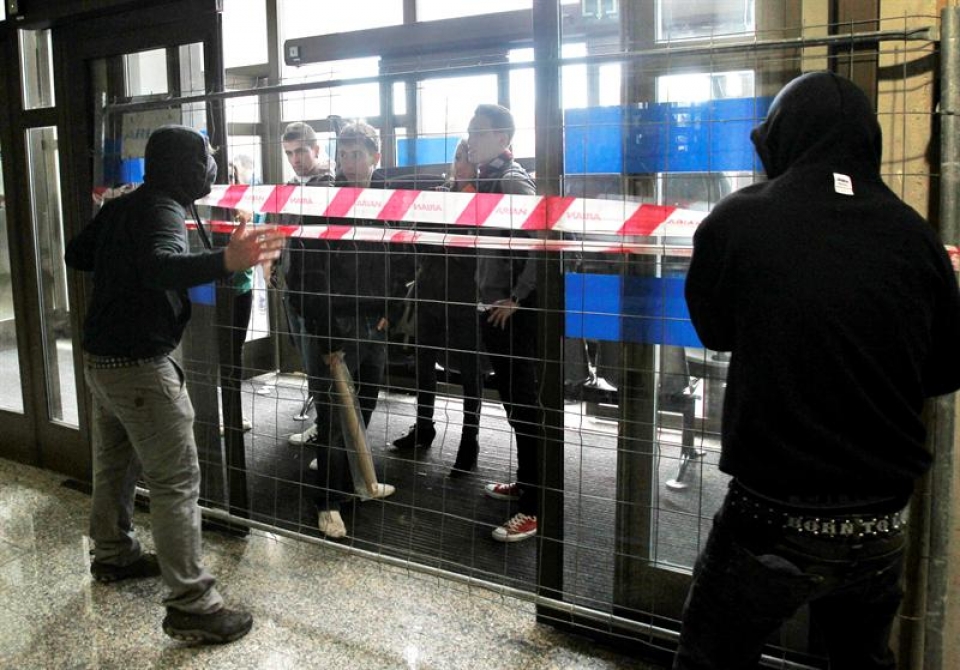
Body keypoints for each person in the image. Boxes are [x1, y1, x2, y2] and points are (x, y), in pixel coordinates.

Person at [675, 72, 960, 669]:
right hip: (882, 518)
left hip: (769, 515)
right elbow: (943, 371)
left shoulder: (738, 221)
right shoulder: (919, 238)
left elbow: (714, 332)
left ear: (780, 138)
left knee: (711, 660)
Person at [64, 125, 284, 644]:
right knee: (177, 481)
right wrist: (227, 260)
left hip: (102, 363)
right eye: (207, 156)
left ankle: (114, 554)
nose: (213, 166)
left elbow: (79, 255)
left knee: (114, 464)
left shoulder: (128, 205)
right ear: (185, 165)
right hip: (140, 367)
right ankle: (193, 605)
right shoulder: (161, 207)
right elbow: (163, 266)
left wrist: (115, 229)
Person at [308, 120, 402, 538]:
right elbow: (312, 272)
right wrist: (326, 334)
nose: (349, 162)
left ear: (375, 157)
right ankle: (327, 502)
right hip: (337, 320)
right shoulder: (322, 200)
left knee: (364, 404)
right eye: (343, 154)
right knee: (331, 415)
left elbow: (401, 258)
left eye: (357, 154)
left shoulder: (389, 200)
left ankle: (356, 481)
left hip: (375, 321)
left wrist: (391, 311)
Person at [467, 104, 540, 542]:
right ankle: (528, 483)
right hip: (491, 308)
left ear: (502, 140)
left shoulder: (512, 181)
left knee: (526, 408)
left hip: (511, 313)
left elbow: (542, 241)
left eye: (478, 133)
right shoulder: (491, 179)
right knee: (514, 405)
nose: (470, 139)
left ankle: (535, 507)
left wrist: (518, 297)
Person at [392, 138, 485, 477]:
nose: (460, 163)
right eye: (458, 156)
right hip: (430, 291)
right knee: (423, 362)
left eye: (467, 157)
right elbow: (419, 236)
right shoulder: (439, 194)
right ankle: (424, 425)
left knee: (470, 371)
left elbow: (471, 248)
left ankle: (469, 439)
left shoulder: (483, 198)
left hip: (464, 296)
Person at [277, 122, 335, 447]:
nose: (295, 159)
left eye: (300, 151)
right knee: (307, 356)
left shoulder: (331, 185)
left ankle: (328, 432)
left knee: (319, 361)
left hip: (318, 288)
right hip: (292, 283)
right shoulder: (290, 187)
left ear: (316, 149)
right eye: (289, 153)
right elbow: (283, 233)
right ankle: (324, 426)